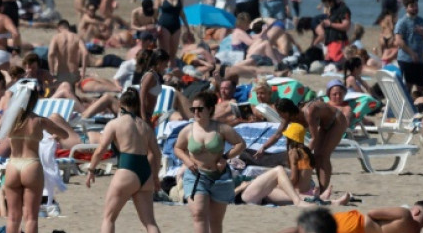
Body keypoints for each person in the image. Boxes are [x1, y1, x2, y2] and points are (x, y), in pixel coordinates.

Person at [85, 89, 161, 233]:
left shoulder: (115, 124)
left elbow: (101, 149)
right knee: (150, 223)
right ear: (137, 105)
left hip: (127, 170)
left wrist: (91, 169)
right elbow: (157, 154)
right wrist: (155, 177)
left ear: (120, 104)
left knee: (109, 218)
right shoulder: (145, 126)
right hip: (145, 173)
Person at [173, 91, 245, 233]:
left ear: (210, 109)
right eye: (193, 109)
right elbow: (177, 148)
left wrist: (225, 157)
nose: (196, 112)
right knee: (199, 214)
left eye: (200, 109)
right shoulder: (188, 130)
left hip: (219, 178)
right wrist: (187, 161)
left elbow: (240, 144)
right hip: (196, 176)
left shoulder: (221, 128)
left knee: (216, 221)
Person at [2, 88, 69, 233]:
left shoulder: (11, 120)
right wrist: (55, 135)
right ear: (34, 102)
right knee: (31, 217)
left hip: (13, 165)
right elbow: (65, 135)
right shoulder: (39, 120)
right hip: (31, 164)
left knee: (12, 217)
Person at [255, 97, 347, 196]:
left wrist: (303, 155)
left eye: (280, 113)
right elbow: (277, 135)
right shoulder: (287, 117)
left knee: (323, 155)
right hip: (324, 124)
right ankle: (321, 190)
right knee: (316, 156)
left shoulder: (308, 112)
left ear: (287, 112)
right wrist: (263, 148)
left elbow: (314, 138)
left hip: (337, 120)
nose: (279, 116)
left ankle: (323, 191)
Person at [240, 122, 317, 207]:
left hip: (299, 191)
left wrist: (280, 184)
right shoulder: (307, 151)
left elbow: (294, 179)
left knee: (268, 191)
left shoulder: (293, 152)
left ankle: (307, 198)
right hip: (308, 189)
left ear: (289, 138)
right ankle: (316, 197)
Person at [395, 0, 423, 96]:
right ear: (406, 8)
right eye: (412, 6)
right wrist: (411, 53)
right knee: (407, 86)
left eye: (416, 5)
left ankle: (416, 103)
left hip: (419, 59)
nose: (415, 8)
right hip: (406, 59)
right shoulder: (402, 22)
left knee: (421, 86)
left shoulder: (421, 21)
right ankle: (406, 106)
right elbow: (398, 41)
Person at [155, 0, 189, 66]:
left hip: (176, 25)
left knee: (173, 54)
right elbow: (155, 13)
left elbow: (181, 12)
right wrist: (156, 26)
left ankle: (172, 73)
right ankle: (162, 73)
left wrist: (187, 27)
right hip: (164, 25)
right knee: (164, 52)